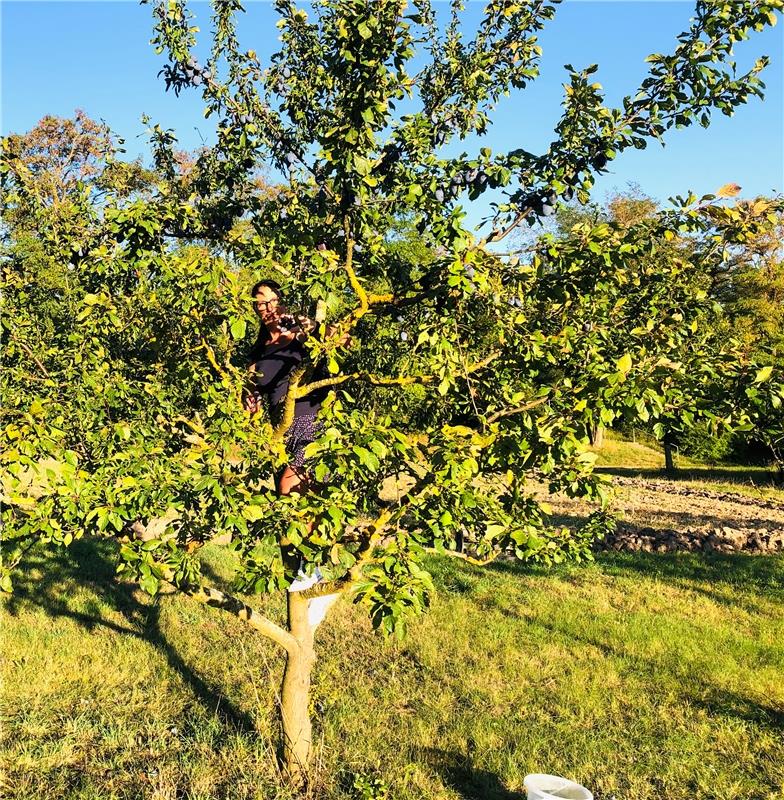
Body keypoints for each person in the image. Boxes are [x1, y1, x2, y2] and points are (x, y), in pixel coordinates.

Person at [245, 279, 329, 497]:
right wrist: (250, 398)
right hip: (279, 432)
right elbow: (249, 388)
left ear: (282, 302)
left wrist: (314, 326)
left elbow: (343, 339)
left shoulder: (300, 333)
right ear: (255, 308)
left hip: (309, 420)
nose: (269, 307)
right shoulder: (259, 349)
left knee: (289, 491)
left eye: (274, 300)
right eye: (261, 303)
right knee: (300, 505)